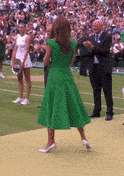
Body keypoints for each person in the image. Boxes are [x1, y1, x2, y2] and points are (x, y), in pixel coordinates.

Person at [37, 16, 91, 153]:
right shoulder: (73, 43)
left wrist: (45, 51)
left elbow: (45, 62)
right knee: (73, 104)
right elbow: (71, 62)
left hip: (55, 76)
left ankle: (50, 142)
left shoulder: (51, 43)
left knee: (52, 106)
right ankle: (83, 137)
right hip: (67, 76)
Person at [82, 20, 114, 121]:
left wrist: (93, 47)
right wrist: (88, 48)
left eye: (96, 26)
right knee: (96, 90)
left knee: (107, 90)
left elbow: (104, 51)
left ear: (101, 26)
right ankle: (96, 110)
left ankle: (109, 112)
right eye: (93, 26)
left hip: (104, 67)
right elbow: (88, 53)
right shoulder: (91, 37)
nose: (95, 28)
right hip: (93, 67)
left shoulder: (106, 36)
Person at [11, 23, 32, 105]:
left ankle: (27, 98)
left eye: (22, 27)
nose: (20, 29)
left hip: (25, 60)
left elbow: (27, 50)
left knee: (27, 79)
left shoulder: (27, 37)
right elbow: (15, 49)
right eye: (19, 27)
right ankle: (20, 97)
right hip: (18, 59)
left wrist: (23, 61)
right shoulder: (17, 37)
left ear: (25, 28)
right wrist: (12, 60)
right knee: (19, 79)